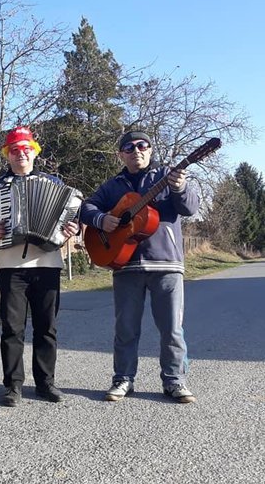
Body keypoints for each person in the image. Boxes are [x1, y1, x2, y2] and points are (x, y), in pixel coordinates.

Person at [80, 130, 199, 403]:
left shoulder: (168, 176)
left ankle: (175, 381)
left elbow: (190, 208)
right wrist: (101, 220)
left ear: (150, 149)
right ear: (121, 155)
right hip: (125, 264)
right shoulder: (113, 185)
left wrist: (179, 188)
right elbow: (86, 207)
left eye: (142, 145)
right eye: (129, 147)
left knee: (171, 328)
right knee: (125, 328)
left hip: (166, 264)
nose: (137, 150)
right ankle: (123, 379)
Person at [0, 126, 78, 407]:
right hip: (10, 265)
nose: (21, 154)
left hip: (47, 263)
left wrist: (72, 228)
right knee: (12, 327)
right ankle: (13, 386)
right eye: (14, 150)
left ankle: (46, 383)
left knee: (47, 327)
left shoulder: (54, 184)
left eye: (25, 149)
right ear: (7, 156)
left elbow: (71, 218)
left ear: (34, 153)